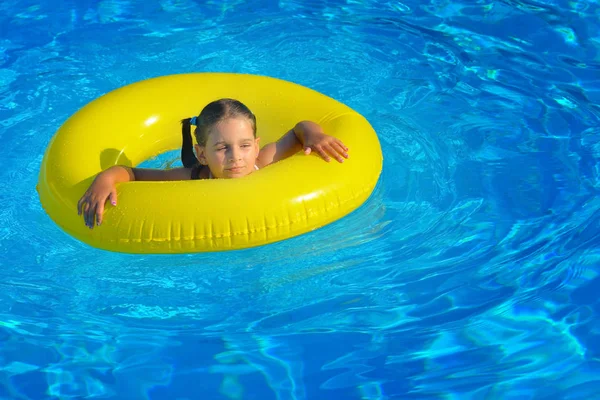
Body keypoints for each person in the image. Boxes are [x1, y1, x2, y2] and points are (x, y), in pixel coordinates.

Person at [77, 98, 349, 228]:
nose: (236, 157)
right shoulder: (192, 178)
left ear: (256, 146)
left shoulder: (262, 161)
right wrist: (107, 178)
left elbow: (300, 129)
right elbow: (132, 174)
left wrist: (316, 135)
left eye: (244, 146)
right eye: (222, 148)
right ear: (202, 154)